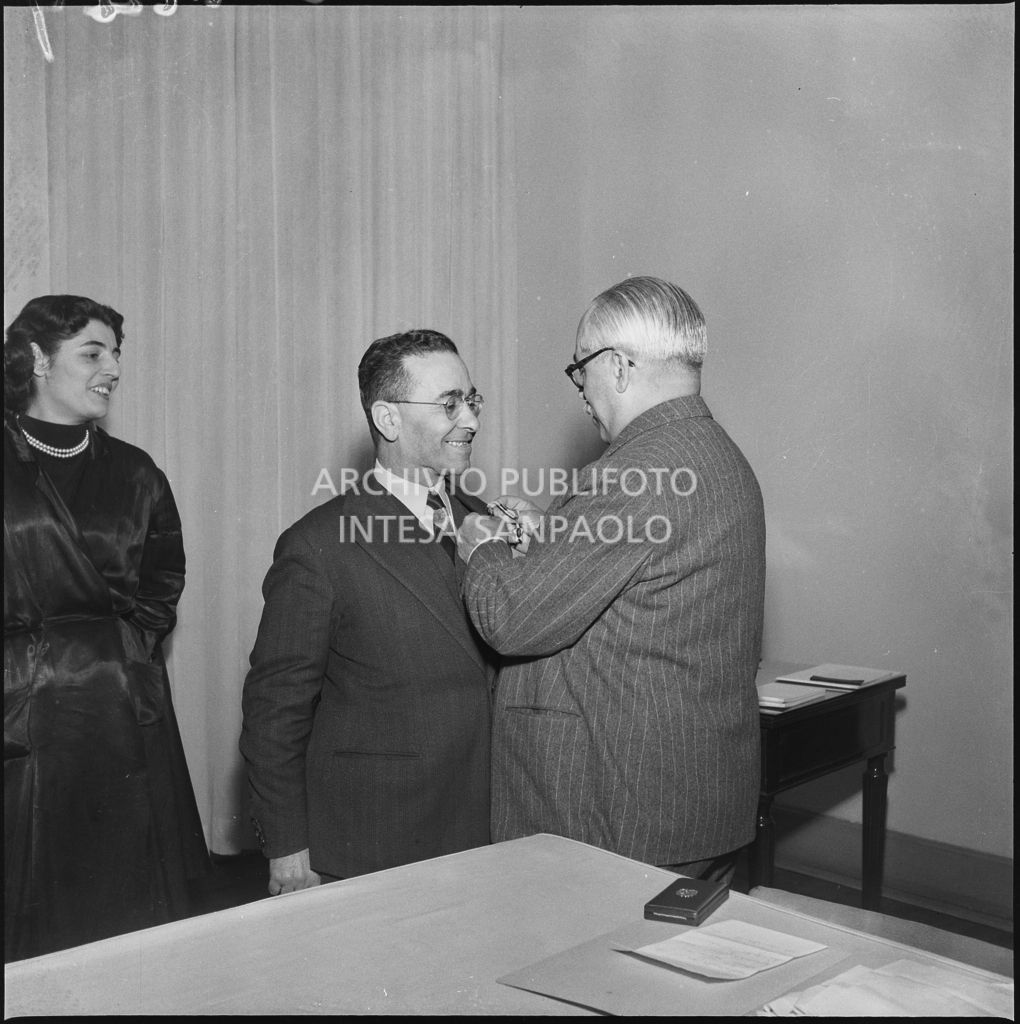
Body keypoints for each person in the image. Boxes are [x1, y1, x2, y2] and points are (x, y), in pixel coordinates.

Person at [459, 276, 766, 883]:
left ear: (620, 367)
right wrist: (554, 535)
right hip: (694, 805)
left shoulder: (634, 473)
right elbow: (644, 577)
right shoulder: (716, 456)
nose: (581, 394)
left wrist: (484, 549)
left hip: (618, 816)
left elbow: (512, 622)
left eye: (580, 371)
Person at [239, 329, 494, 895]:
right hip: (373, 842)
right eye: (449, 403)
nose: (471, 419)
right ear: (388, 419)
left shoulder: (488, 522)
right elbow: (273, 712)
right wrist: (287, 849)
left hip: (486, 831)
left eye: (472, 400)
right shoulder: (318, 545)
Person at [4, 294, 208, 961]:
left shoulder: (136, 471)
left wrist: (126, 654)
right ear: (37, 359)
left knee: (131, 910)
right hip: (17, 711)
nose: (112, 368)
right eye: (92, 352)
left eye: (116, 354)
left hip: (122, 708)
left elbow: (163, 579)